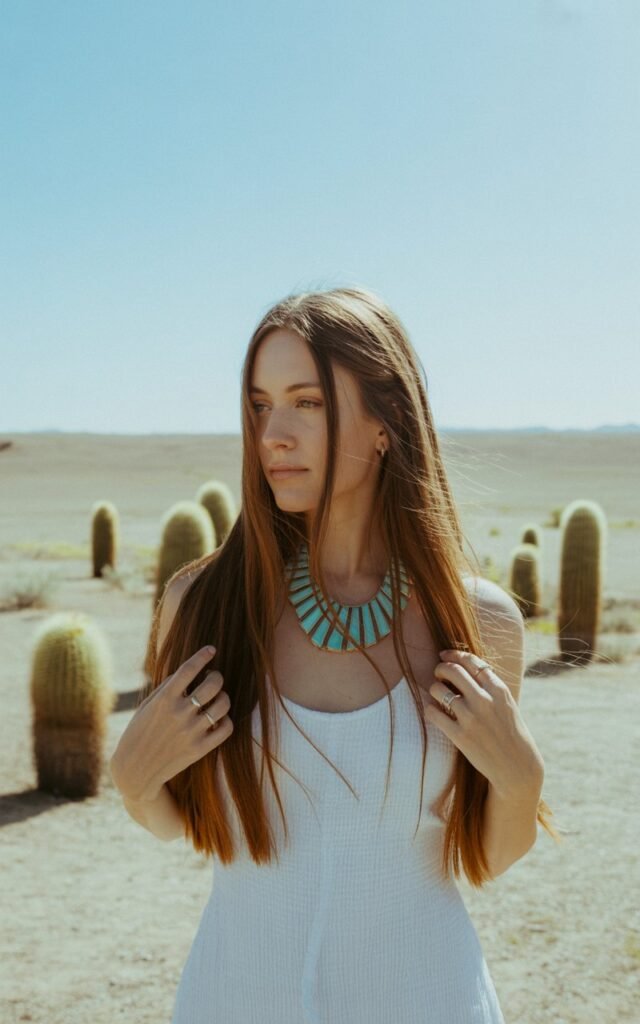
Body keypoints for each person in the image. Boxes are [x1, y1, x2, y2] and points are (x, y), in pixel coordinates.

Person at [110, 286, 559, 1023]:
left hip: (428, 999)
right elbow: (187, 826)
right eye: (259, 405)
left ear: (385, 422)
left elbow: (486, 856)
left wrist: (522, 780)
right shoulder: (205, 607)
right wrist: (132, 784)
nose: (272, 435)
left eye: (306, 403)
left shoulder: (477, 621)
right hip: (233, 1001)